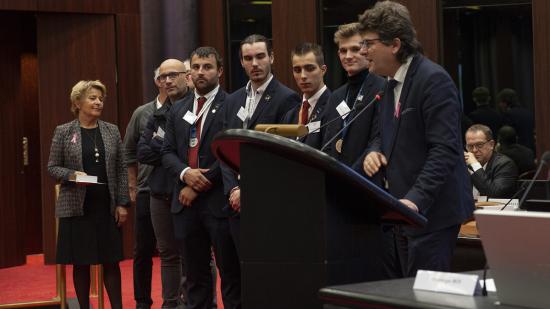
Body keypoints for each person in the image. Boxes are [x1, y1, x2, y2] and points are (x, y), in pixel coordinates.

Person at [359, 1, 474, 277]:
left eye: (368, 43)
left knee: (425, 298)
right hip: (402, 214)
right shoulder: (388, 85)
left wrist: (415, 199)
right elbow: (382, 134)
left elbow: (444, 150)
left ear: (395, 44)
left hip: (430, 214)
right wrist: (374, 150)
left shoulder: (433, 80)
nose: (363, 51)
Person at [162, 47, 241, 309]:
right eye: (195, 67)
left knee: (230, 275)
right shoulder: (177, 108)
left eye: (207, 66)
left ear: (219, 71)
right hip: (185, 206)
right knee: (195, 278)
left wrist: (199, 185)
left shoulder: (232, 103)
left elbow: (231, 151)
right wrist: (186, 174)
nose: (200, 72)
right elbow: (167, 152)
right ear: (189, 73)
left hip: (218, 202)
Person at [47, 80, 129, 309]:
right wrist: (73, 175)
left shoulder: (111, 130)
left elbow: (122, 168)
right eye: (92, 98)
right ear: (77, 102)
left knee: (110, 262)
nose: (98, 102)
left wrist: (122, 203)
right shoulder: (64, 131)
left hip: (106, 205)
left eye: (101, 98)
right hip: (76, 207)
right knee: (81, 263)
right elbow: (52, 167)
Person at [221, 34, 300, 252]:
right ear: (241, 62)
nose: (254, 64)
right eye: (248, 58)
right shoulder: (232, 100)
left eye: (260, 56)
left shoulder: (287, 98)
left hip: (266, 202)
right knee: (235, 276)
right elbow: (224, 149)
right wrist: (233, 189)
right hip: (234, 203)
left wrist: (249, 190)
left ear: (272, 57)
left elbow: (281, 154)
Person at [123, 67, 166, 309]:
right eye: (163, 77)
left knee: (175, 251)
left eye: (173, 76)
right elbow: (128, 150)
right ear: (156, 81)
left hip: (175, 189)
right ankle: (142, 301)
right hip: (146, 189)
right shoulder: (142, 113)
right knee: (143, 250)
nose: (167, 81)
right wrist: (132, 185)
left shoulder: (185, 108)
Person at [320, 23, 385, 168]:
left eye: (355, 49)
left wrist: (351, 174)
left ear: (367, 50)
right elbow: (328, 145)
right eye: (343, 51)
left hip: (365, 179)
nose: (348, 56)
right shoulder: (336, 96)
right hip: (337, 178)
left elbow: (378, 139)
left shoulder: (382, 89)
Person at [281, 42, 331, 147]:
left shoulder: (333, 107)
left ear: (323, 70)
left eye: (310, 68)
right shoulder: (290, 115)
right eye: (297, 70)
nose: (303, 76)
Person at [465, 124, 518, 198]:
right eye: (470, 146)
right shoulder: (464, 164)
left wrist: (475, 165)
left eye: (479, 145)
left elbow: (495, 194)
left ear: (491, 145)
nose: (474, 150)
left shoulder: (505, 164)